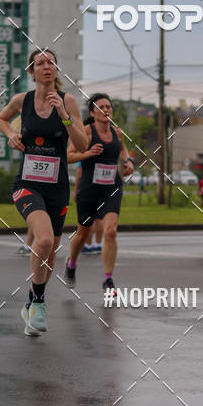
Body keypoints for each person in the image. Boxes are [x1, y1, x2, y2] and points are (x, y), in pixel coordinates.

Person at [0, 47, 87, 336]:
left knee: (50, 253)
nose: (47, 66)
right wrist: (11, 134)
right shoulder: (21, 101)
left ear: (56, 69)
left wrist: (64, 115)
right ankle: (38, 302)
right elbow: (0, 119)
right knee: (44, 240)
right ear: (31, 71)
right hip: (27, 184)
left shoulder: (68, 101)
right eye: (40, 63)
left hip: (57, 187)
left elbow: (82, 145)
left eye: (51, 62)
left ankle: (31, 302)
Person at [64, 93, 133, 297]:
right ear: (93, 113)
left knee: (110, 231)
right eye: (101, 107)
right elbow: (68, 156)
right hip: (89, 190)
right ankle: (71, 263)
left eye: (108, 106)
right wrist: (87, 154)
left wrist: (128, 163)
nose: (106, 110)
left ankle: (108, 279)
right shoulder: (86, 132)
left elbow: (123, 151)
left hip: (111, 188)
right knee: (82, 234)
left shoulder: (117, 133)